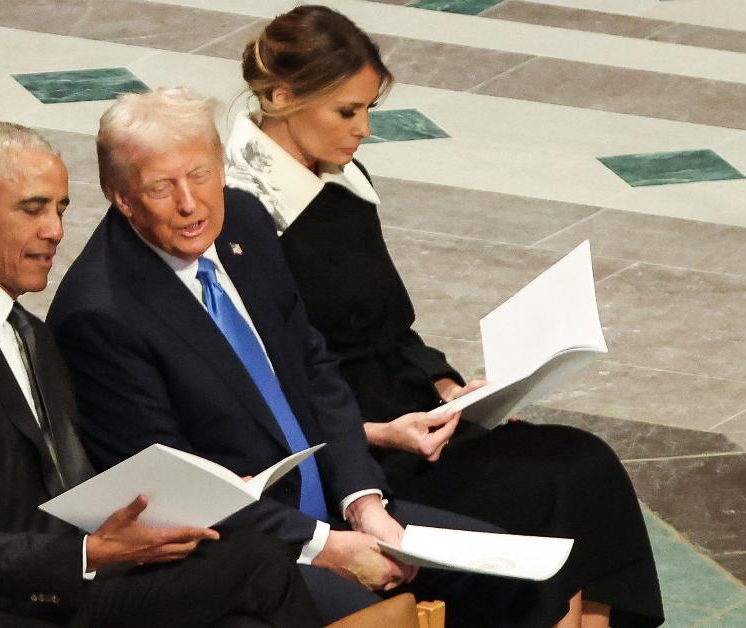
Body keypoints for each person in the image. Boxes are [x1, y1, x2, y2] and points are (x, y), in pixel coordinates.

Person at [48, 88, 561, 626]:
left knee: (519, 574)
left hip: (336, 509)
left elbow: (315, 371)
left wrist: (366, 506)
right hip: (247, 546)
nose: (189, 202)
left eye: (200, 174)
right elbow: (176, 493)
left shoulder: (243, 221)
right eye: (160, 187)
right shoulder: (100, 315)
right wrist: (325, 546)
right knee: (381, 617)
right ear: (121, 197)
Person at [222, 6, 664, 628]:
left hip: (417, 419)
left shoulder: (344, 179)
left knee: (587, 463)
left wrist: (448, 386)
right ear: (280, 95)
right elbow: (272, 382)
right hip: (359, 454)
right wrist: (379, 432)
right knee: (548, 493)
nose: (364, 130)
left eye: (368, 108)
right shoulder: (242, 214)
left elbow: (387, 323)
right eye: (347, 111)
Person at [0, 122, 321, 628]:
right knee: (255, 565)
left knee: (251, 565)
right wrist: (88, 553)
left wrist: (195, 496)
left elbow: (65, 479)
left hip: (66, 589)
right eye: (32, 209)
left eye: (60, 210)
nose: (54, 230)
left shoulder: (28, 329)